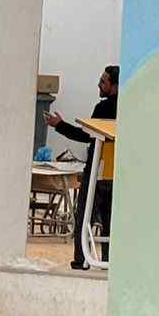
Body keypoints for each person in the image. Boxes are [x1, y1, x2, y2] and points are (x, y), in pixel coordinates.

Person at [47, 63, 117, 271]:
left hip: (97, 171)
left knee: (84, 217)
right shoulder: (129, 106)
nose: (99, 85)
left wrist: (59, 125)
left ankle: (81, 259)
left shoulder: (103, 108)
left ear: (114, 86)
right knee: (110, 221)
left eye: (103, 82)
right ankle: (107, 261)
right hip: (117, 173)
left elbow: (86, 135)